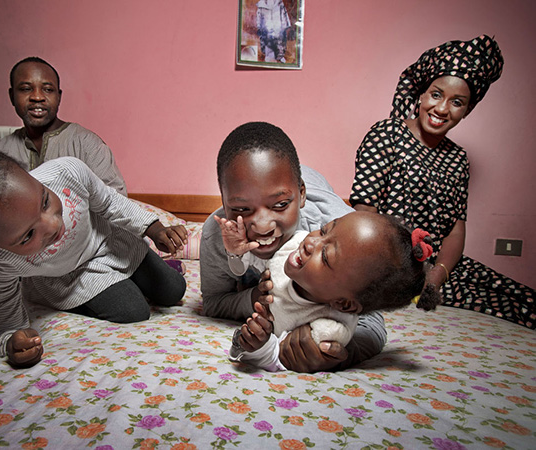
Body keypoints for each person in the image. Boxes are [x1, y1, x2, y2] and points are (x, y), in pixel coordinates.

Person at [0, 144, 187, 368]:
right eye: (27, 236)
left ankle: (158, 270)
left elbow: (110, 202)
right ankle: (70, 296)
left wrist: (155, 228)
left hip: (112, 243)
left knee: (174, 289)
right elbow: (3, 322)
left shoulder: (66, 172)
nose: (52, 226)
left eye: (45, 202)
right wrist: (11, 342)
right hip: (73, 276)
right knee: (134, 311)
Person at [350, 35, 535, 329]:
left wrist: (437, 275)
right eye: (436, 94)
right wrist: (402, 273)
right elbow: (364, 216)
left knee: (522, 301)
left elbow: (455, 229)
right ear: (422, 95)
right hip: (387, 266)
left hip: (441, 269)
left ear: (466, 110)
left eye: (457, 102)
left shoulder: (458, 158)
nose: (442, 109)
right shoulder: (386, 134)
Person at [200, 121, 387, 373]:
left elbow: (371, 317)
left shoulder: (335, 231)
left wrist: (340, 353)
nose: (263, 226)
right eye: (242, 209)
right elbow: (213, 302)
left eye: (280, 205)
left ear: (301, 194)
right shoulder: (216, 234)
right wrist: (258, 299)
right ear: (223, 201)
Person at [0, 56, 127, 294]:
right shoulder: (1, 150)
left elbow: (115, 202)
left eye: (48, 89)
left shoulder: (86, 143)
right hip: (18, 259)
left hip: (76, 259)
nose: (37, 96)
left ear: (59, 96)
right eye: (26, 89)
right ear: (11, 96)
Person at [219, 211, 439, 372]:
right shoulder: (295, 241)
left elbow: (281, 357)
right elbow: (261, 260)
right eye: (324, 229)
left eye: (325, 256)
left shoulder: (327, 328)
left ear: (343, 304)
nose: (311, 242)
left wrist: (259, 345)